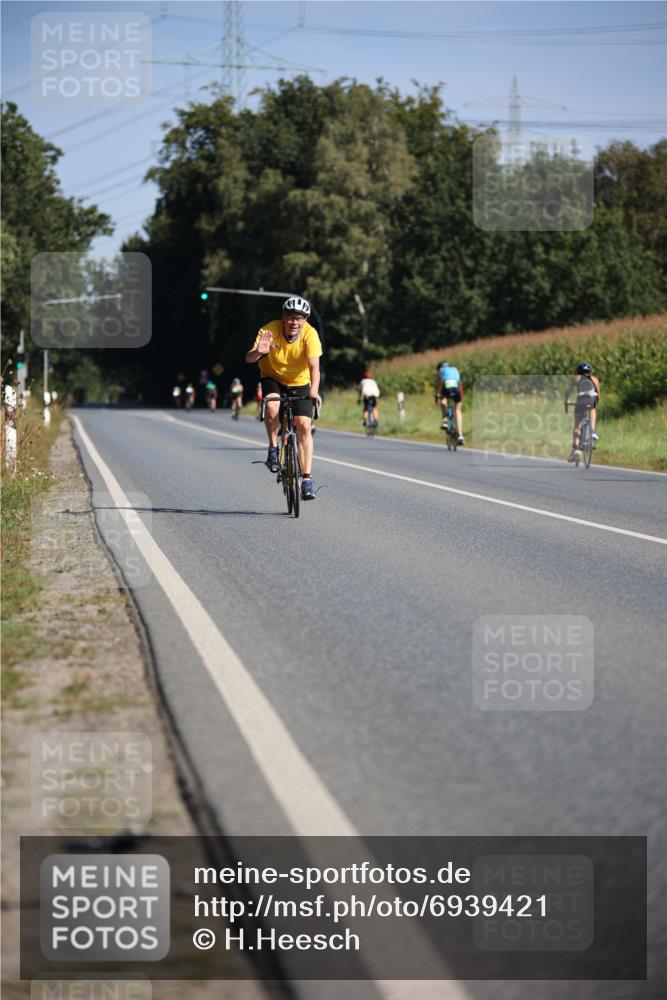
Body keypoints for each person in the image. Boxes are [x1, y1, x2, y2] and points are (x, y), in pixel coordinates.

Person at [245, 296, 322, 500]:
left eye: (300, 318)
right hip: (272, 378)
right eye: (290, 318)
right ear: (283, 317)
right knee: (272, 406)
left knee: (304, 425)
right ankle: (273, 447)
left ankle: (306, 478)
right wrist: (258, 352)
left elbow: (315, 367)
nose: (295, 322)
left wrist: (314, 391)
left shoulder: (310, 334)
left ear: (304, 320)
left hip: (299, 382)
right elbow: (249, 358)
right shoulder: (269, 331)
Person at [564, 362, 600, 462]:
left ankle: (576, 449)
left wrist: (566, 402)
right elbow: (598, 396)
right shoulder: (595, 379)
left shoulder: (577, 378)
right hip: (591, 400)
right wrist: (595, 403)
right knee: (593, 409)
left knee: (577, 426)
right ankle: (592, 430)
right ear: (590, 372)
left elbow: (569, 391)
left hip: (581, 401)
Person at [436, 360, 464, 444]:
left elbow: (440, 382)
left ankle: (444, 421)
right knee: (458, 410)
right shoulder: (455, 369)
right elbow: (459, 381)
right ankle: (460, 435)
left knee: (443, 399)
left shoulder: (441, 370)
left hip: (446, 387)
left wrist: (438, 394)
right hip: (457, 388)